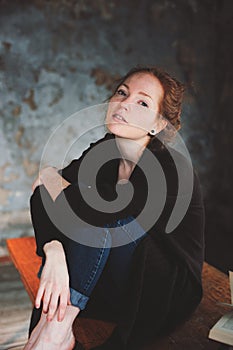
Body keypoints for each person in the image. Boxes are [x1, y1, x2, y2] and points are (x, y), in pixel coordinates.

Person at [24, 65, 205, 350]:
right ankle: (56, 329)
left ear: (157, 124)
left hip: (160, 289)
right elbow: (42, 197)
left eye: (142, 102)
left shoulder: (171, 167)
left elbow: (100, 212)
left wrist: (52, 177)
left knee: (112, 224)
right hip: (111, 279)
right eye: (122, 93)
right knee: (87, 224)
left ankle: (56, 328)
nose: (124, 104)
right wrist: (53, 249)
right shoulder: (103, 151)